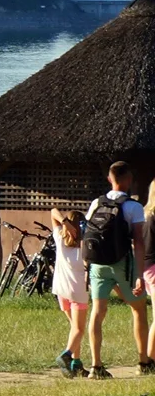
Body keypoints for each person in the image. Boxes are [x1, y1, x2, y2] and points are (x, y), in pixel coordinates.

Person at [83, 161, 151, 378]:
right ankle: (143, 361)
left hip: (98, 265)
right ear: (128, 179)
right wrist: (140, 275)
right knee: (138, 308)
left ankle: (96, 365)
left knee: (97, 312)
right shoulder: (133, 207)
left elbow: (88, 234)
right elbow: (139, 242)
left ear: (110, 179)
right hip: (121, 264)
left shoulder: (96, 203)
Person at [51, 208, 91, 377]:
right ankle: (66, 356)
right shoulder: (84, 248)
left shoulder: (60, 237)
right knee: (79, 329)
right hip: (78, 292)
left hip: (61, 290)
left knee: (74, 328)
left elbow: (53, 211)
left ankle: (76, 364)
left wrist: (64, 223)